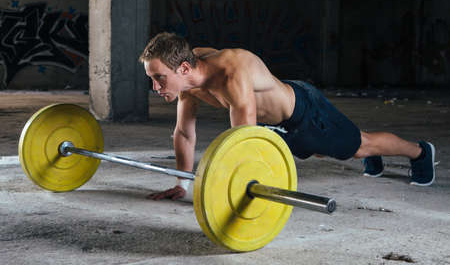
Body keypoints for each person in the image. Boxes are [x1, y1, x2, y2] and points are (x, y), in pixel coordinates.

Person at [139, 32, 436, 201]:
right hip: (278, 124)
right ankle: (362, 148)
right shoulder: (189, 80)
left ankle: (420, 153)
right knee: (324, 151)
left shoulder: (231, 73)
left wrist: (229, 191)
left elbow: (245, 140)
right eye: (152, 78)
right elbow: (184, 133)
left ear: (184, 69)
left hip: (304, 112)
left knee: (360, 146)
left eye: (159, 78)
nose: (155, 87)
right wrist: (182, 183)